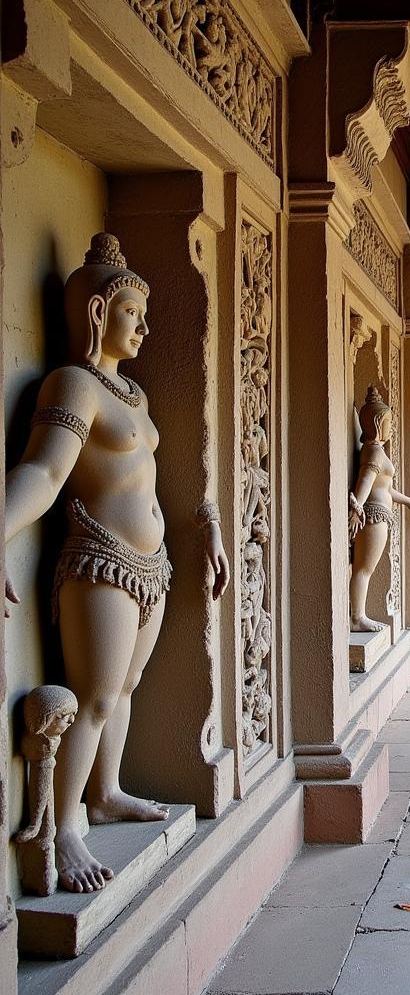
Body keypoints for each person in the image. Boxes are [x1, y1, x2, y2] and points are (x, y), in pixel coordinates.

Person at [4, 233, 229, 893]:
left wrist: (209, 525)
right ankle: (66, 826)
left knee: (123, 692)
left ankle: (105, 791)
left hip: (151, 562)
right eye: (134, 312)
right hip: (99, 558)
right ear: (99, 313)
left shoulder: (132, 393)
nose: (146, 326)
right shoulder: (74, 385)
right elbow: (43, 472)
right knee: (95, 694)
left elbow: (151, 475)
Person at [348, 386, 410, 631]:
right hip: (372, 515)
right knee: (364, 569)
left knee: (365, 568)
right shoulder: (373, 452)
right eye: (389, 422)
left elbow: (386, 488)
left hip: (378, 513)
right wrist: (356, 507)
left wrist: (408, 501)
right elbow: (366, 482)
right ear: (378, 423)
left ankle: (358, 615)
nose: (391, 428)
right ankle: (357, 617)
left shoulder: (376, 451)